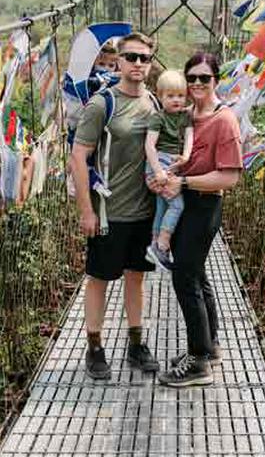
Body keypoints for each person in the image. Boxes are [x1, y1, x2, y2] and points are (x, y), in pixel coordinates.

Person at [70, 32, 161, 380]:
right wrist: (86, 210)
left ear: (151, 64)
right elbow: (78, 157)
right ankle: (94, 346)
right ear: (119, 60)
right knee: (99, 279)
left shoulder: (153, 102)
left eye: (145, 58)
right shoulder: (101, 104)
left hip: (144, 212)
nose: (139, 64)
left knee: (136, 278)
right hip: (108, 212)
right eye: (132, 57)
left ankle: (136, 344)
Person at [152, 52, 243, 388]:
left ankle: (198, 363)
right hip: (185, 201)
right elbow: (180, 159)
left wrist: (184, 182)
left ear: (216, 79)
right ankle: (210, 346)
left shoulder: (225, 120)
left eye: (204, 78)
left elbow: (229, 177)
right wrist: (163, 175)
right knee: (196, 275)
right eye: (192, 79)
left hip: (204, 206)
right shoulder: (187, 115)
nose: (197, 84)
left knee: (184, 279)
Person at [144, 70, 193, 269]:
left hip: (174, 164)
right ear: (160, 96)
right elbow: (149, 145)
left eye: (180, 96)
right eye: (170, 96)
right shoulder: (158, 118)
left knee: (163, 206)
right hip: (158, 163)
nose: (176, 100)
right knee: (177, 205)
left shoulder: (185, 116)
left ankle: (154, 245)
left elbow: (189, 137)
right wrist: (158, 171)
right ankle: (163, 245)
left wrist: (186, 156)